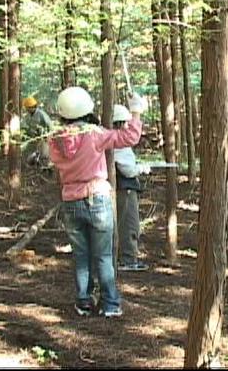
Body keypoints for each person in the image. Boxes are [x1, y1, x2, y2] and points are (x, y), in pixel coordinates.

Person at [48, 86, 147, 318]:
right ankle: (110, 304)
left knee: (81, 255)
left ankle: (83, 301)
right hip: (97, 198)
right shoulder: (94, 134)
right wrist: (136, 113)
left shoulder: (56, 139)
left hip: (71, 201)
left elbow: (52, 158)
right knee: (103, 255)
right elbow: (129, 137)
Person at [112, 104, 152, 272]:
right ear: (121, 123)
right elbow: (128, 170)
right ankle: (128, 259)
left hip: (121, 188)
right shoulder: (119, 142)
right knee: (129, 224)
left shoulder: (114, 139)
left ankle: (124, 256)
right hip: (125, 188)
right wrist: (142, 169)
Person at [22, 96, 53, 166]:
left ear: (31, 107)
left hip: (43, 137)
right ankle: (36, 164)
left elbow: (50, 125)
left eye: (27, 108)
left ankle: (47, 167)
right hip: (33, 138)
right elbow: (27, 126)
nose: (26, 109)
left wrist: (48, 136)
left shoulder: (41, 114)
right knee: (32, 155)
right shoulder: (28, 116)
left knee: (44, 154)